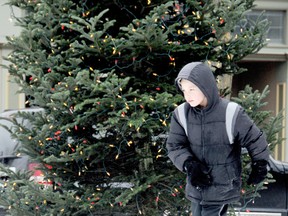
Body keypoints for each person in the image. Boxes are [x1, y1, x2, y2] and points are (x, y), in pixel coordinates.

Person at [166, 62, 269, 216]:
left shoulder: (230, 112)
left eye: (192, 89)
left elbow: (254, 138)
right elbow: (175, 145)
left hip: (222, 188)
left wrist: (260, 164)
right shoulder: (181, 114)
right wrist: (189, 164)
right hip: (197, 187)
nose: (187, 96)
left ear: (205, 86)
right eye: (184, 90)